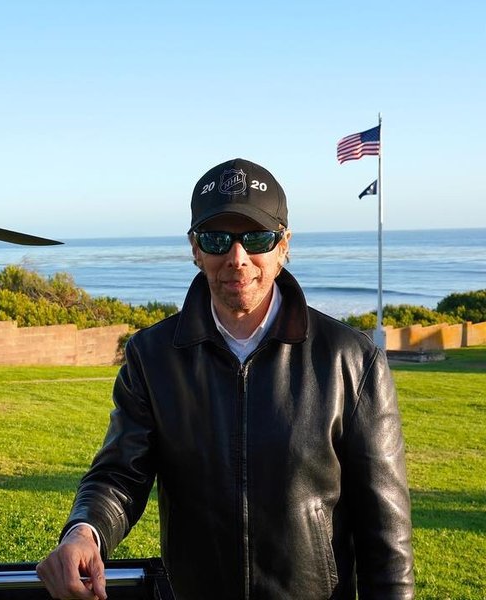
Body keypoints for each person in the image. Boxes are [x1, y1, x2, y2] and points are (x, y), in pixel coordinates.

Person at [36, 158, 414, 600]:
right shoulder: (152, 358)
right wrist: (84, 532)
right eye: (217, 239)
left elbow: (386, 536)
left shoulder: (350, 359)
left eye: (257, 238)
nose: (237, 258)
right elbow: (120, 474)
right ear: (195, 248)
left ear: (284, 245)